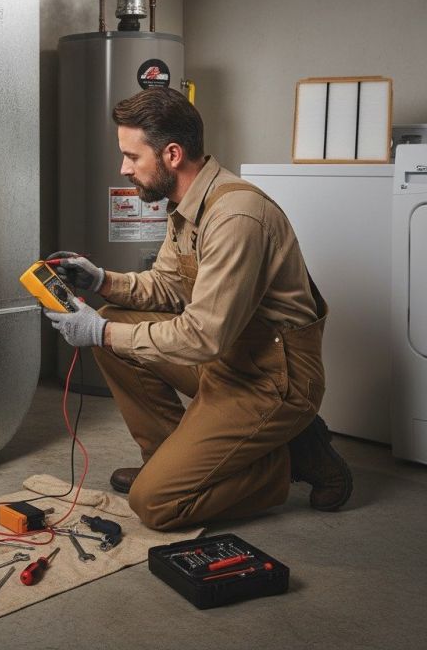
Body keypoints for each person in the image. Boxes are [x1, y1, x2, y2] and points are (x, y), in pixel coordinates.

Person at [45, 87, 352, 531]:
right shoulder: (188, 206)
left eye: (132, 156)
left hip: (272, 378)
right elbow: (169, 287)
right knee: (114, 322)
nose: (124, 168)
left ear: (172, 154)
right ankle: (170, 464)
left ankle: (282, 462)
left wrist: (98, 332)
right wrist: (101, 281)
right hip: (229, 360)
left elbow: (202, 336)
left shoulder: (236, 217)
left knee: (155, 506)